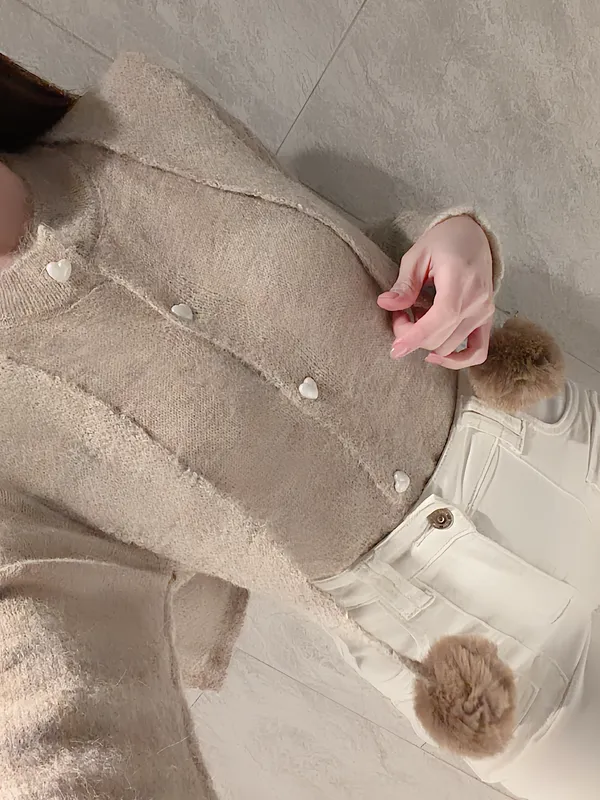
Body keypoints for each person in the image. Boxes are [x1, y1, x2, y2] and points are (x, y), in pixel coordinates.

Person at [0, 52, 596, 800]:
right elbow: (52, 708)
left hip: (546, 444)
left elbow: (361, 245)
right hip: (477, 664)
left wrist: (456, 241)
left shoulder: (138, 114)